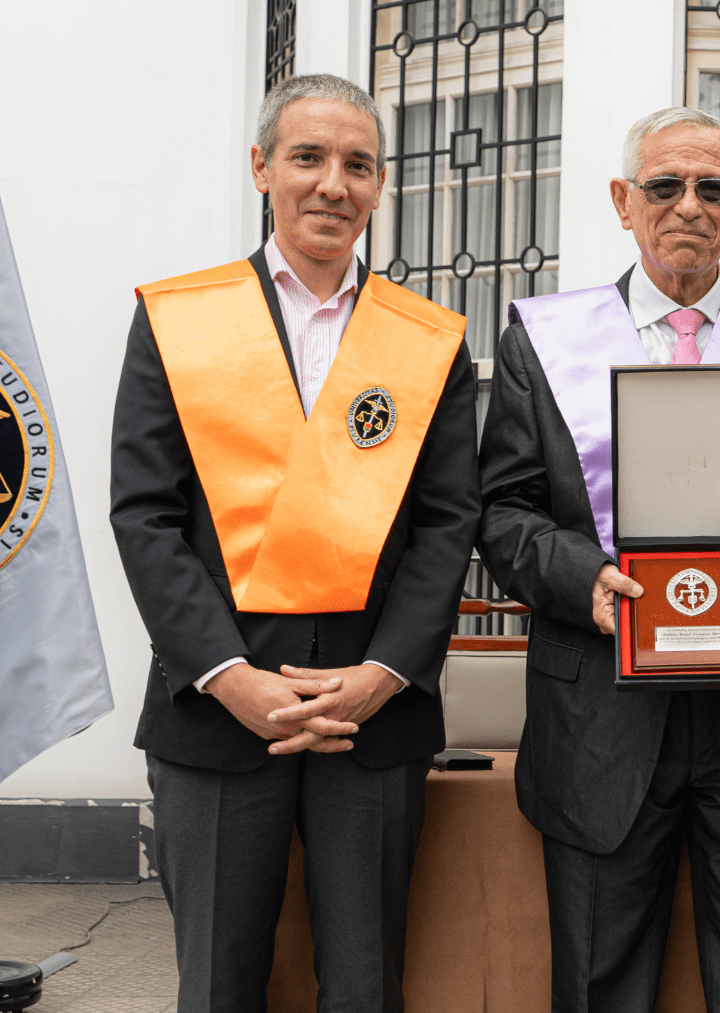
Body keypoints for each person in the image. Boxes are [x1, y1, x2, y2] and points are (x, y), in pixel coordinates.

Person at [110, 73, 480, 1012]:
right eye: (308, 157)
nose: (332, 185)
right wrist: (227, 676)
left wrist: (384, 673)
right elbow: (146, 515)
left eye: (358, 165)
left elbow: (448, 523)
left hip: (373, 714)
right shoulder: (181, 319)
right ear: (261, 167)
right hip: (218, 712)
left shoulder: (427, 339)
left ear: (381, 184)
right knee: (219, 985)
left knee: (365, 985)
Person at [476, 106, 720, 1013]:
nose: (689, 206)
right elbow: (501, 511)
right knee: (600, 981)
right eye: (665, 185)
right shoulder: (544, 339)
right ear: (622, 201)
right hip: (601, 705)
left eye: (712, 189)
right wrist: (581, 578)